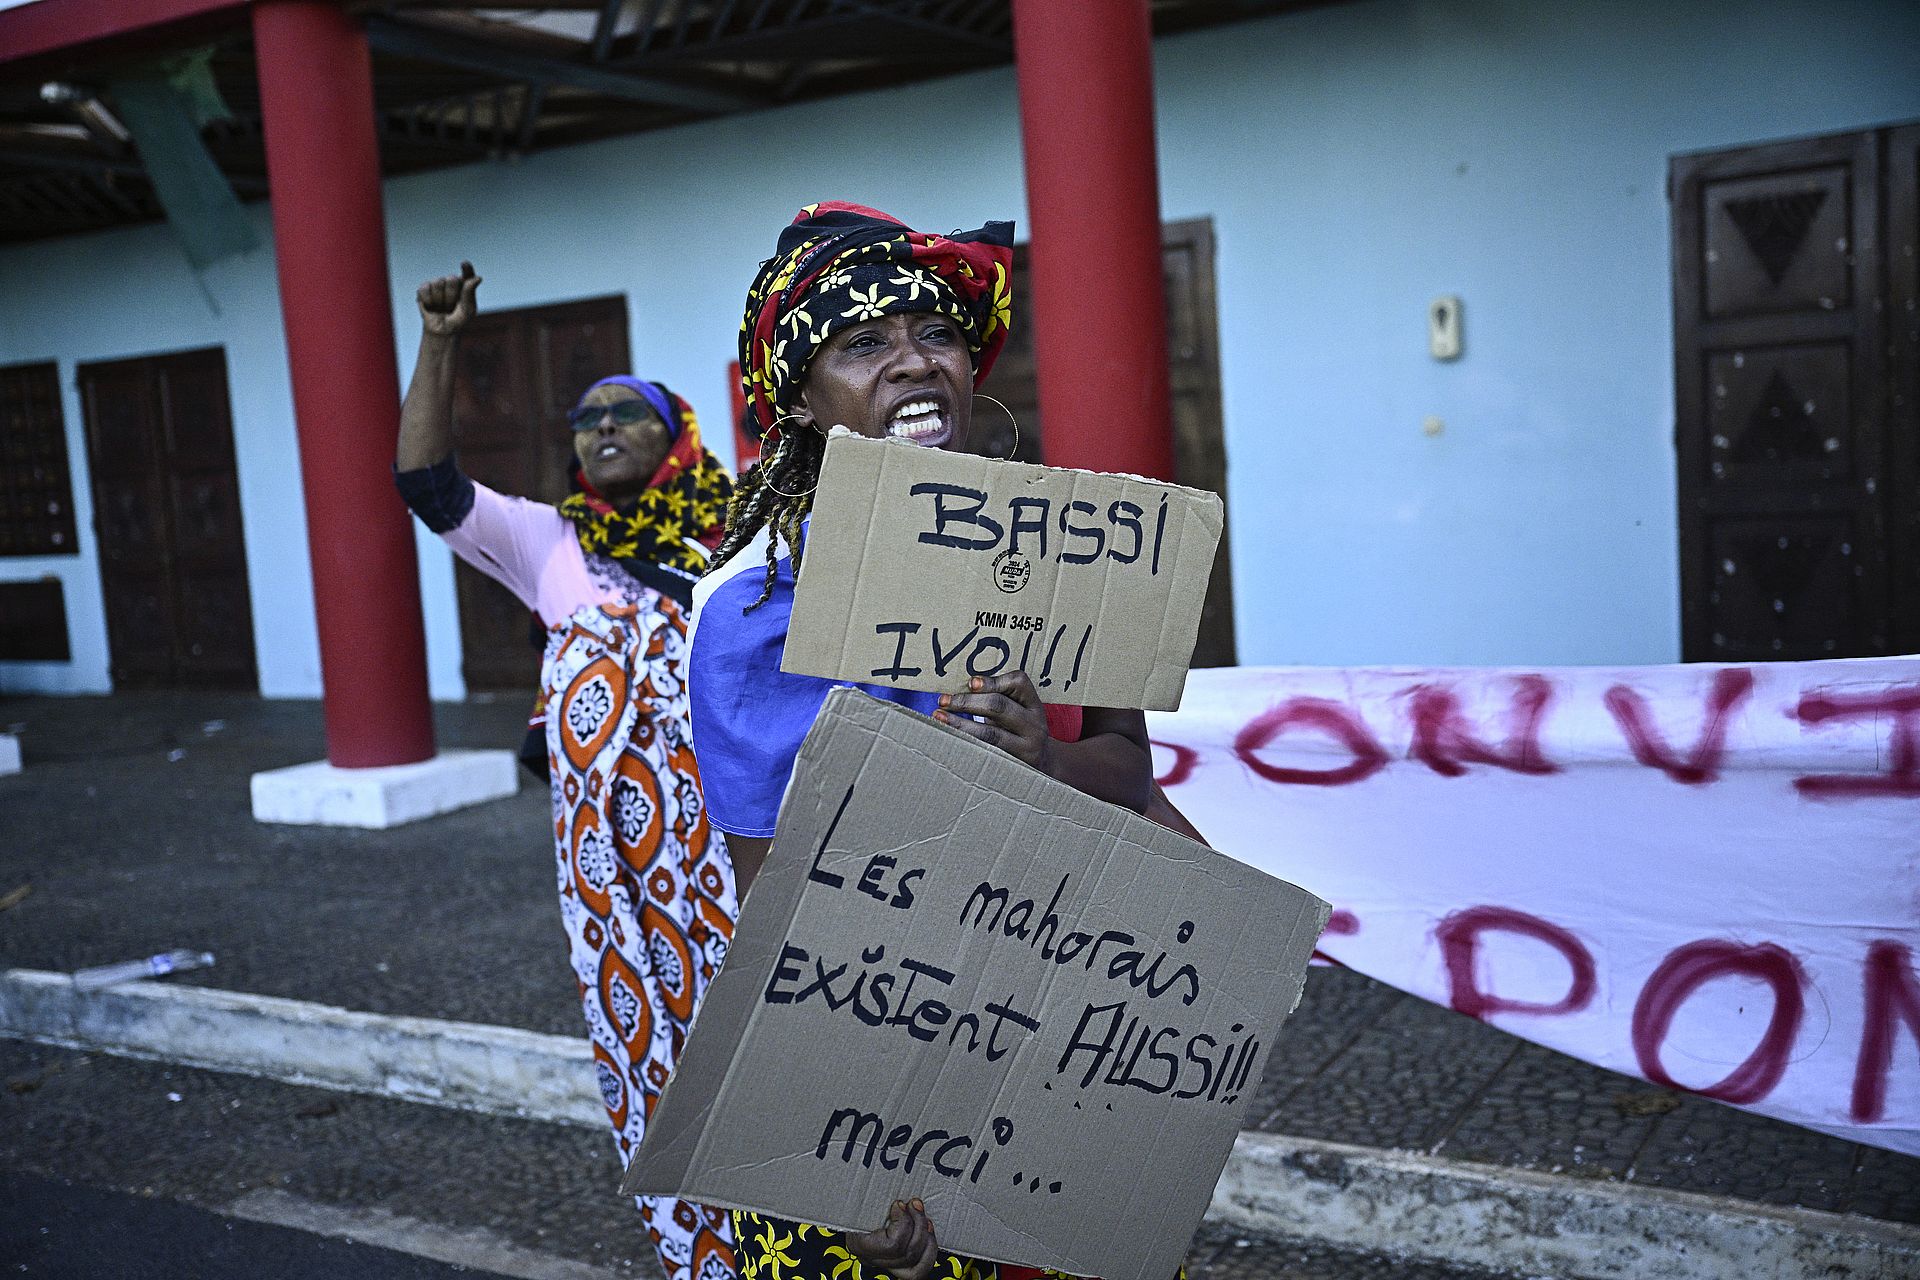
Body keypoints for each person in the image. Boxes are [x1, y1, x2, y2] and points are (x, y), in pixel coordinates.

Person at [688, 203, 1161, 1280]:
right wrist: (843, 1159)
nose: (912, 363)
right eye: (861, 344)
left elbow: (1128, 772)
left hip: (1060, 1052)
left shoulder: (1068, 549)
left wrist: (1044, 757)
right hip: (879, 1084)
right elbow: (778, 913)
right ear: (799, 401)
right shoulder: (755, 615)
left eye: (935, 334)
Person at [394, 263, 740, 1280]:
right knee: (663, 1052)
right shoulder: (551, 542)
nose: (599, 429)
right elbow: (427, 483)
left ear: (673, 432)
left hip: (742, 847)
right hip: (621, 875)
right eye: (585, 419)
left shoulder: (737, 536)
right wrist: (442, 342)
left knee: (770, 1037)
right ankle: (710, 1246)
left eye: (624, 413)